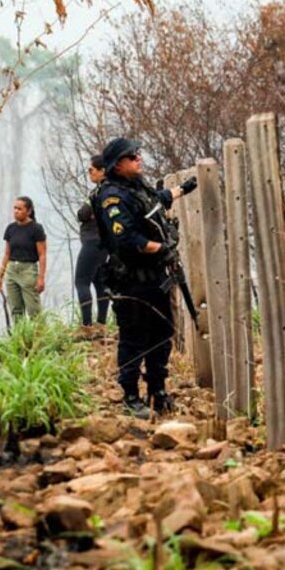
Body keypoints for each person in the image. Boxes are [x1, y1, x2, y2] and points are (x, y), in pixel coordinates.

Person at [94, 137, 197, 419]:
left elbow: (156, 201)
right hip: (131, 281)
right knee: (134, 337)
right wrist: (162, 248)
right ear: (117, 165)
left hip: (155, 277)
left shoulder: (137, 187)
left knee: (161, 333)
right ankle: (130, 396)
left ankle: (157, 390)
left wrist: (182, 190)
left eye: (138, 153)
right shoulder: (111, 197)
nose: (138, 158)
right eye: (132, 156)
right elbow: (128, 240)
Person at [0, 196, 47, 322]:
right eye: (15, 208)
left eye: (20, 209)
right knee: (16, 309)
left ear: (28, 211)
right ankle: (20, 338)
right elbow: (7, 254)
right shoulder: (11, 229)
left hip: (28, 270)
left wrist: (41, 278)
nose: (16, 211)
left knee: (33, 310)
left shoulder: (36, 229)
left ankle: (39, 338)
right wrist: (0, 275)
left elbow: (42, 255)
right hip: (12, 270)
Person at [75, 155, 110, 328]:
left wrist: (87, 214)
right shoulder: (111, 190)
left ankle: (87, 325)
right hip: (104, 244)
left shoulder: (99, 192)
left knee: (81, 281)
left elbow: (82, 214)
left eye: (91, 170)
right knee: (99, 282)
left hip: (92, 242)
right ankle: (101, 323)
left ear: (102, 171)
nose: (89, 173)